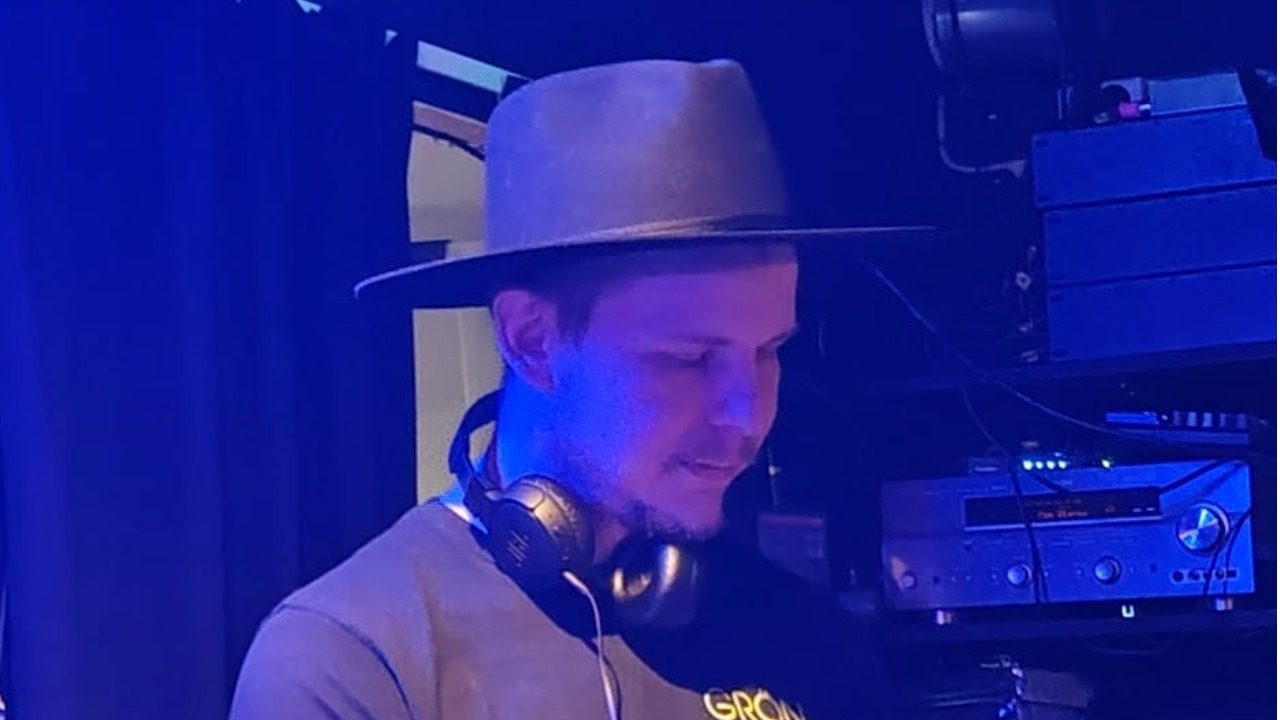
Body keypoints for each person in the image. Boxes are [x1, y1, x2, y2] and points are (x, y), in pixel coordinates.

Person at [229, 58, 913, 720]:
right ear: (531, 339)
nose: (748, 413)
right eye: (690, 358)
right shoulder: (349, 661)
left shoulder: (813, 644)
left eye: (768, 351)